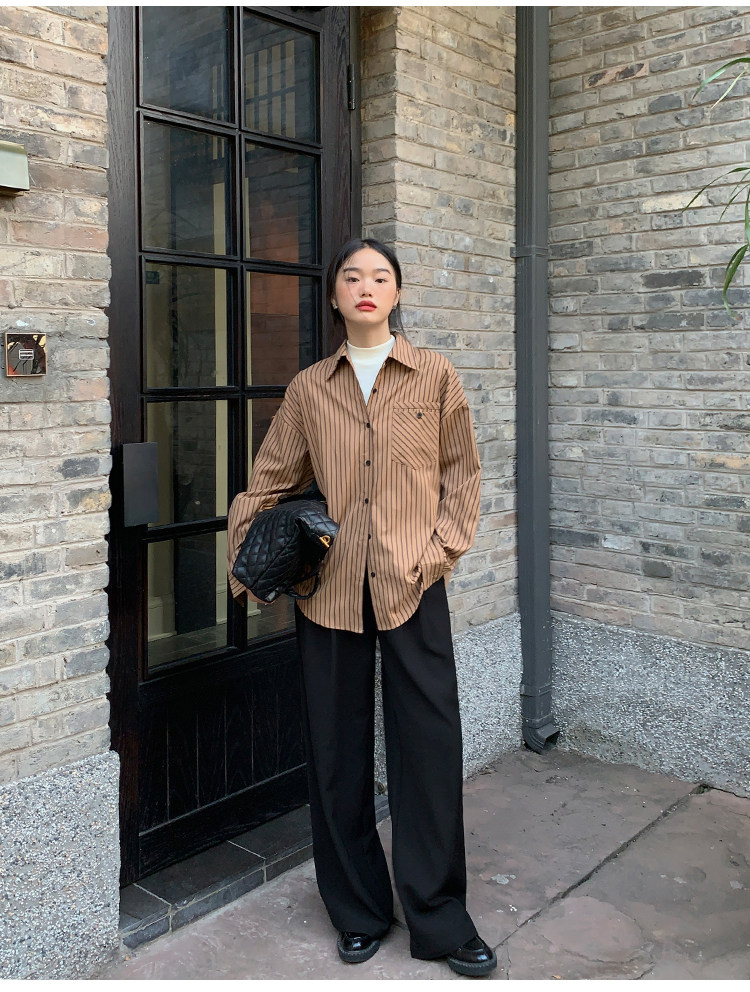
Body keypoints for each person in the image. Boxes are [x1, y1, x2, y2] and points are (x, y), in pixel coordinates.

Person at [227, 237, 496, 977]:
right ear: (335, 296)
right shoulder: (310, 389)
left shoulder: (435, 376)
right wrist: (250, 559)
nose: (366, 286)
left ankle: (440, 918)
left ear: (397, 292)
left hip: (414, 587)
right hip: (331, 594)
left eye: (380, 276)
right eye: (352, 277)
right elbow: (270, 478)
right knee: (336, 756)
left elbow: (463, 476)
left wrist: (435, 555)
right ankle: (357, 909)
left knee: (430, 752)